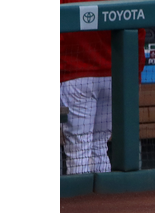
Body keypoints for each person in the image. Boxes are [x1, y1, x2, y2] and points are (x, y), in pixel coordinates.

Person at [60, 0, 145, 175]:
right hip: (115, 76)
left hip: (76, 75)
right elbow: (138, 28)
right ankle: (101, 199)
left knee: (79, 147)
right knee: (99, 144)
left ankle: (83, 199)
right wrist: (134, 76)